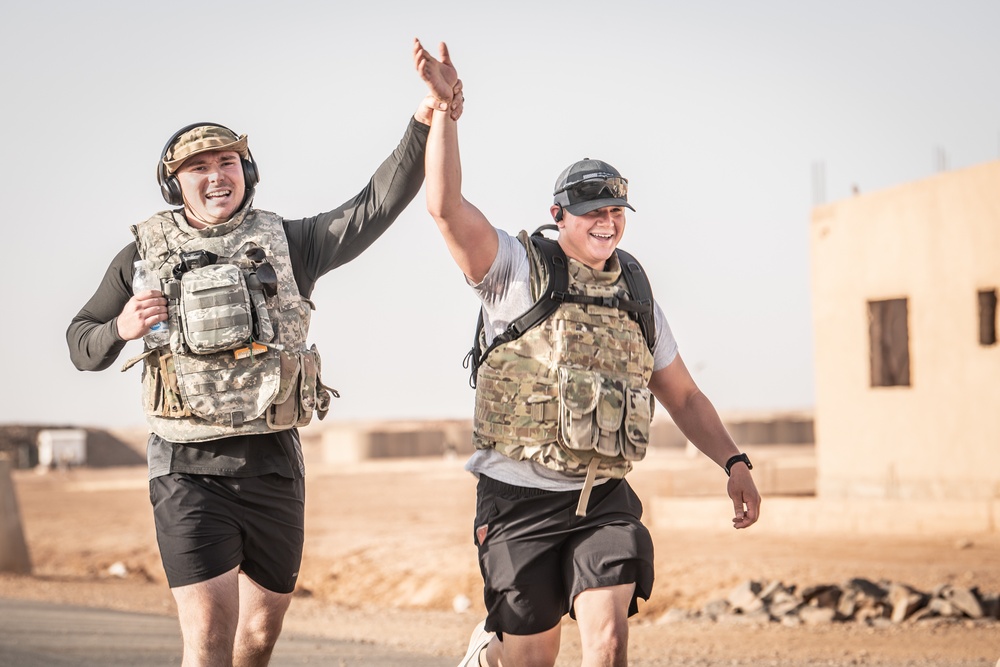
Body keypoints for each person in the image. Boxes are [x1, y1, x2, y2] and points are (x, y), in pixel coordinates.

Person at [66, 64, 463, 666]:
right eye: (198, 167)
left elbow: (376, 205)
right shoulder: (142, 254)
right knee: (208, 638)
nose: (216, 175)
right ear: (176, 185)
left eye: (226, 162)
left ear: (245, 172)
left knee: (256, 641)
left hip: (274, 464)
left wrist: (425, 116)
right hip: (186, 466)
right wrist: (121, 329)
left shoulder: (292, 242)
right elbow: (79, 342)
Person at [414, 39, 761, 667]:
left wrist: (734, 462)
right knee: (533, 658)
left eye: (615, 211)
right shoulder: (517, 269)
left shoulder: (635, 292)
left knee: (607, 642)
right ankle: (493, 648)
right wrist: (444, 114)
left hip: (603, 497)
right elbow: (444, 209)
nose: (606, 222)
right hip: (518, 500)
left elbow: (681, 394)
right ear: (559, 215)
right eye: (590, 212)